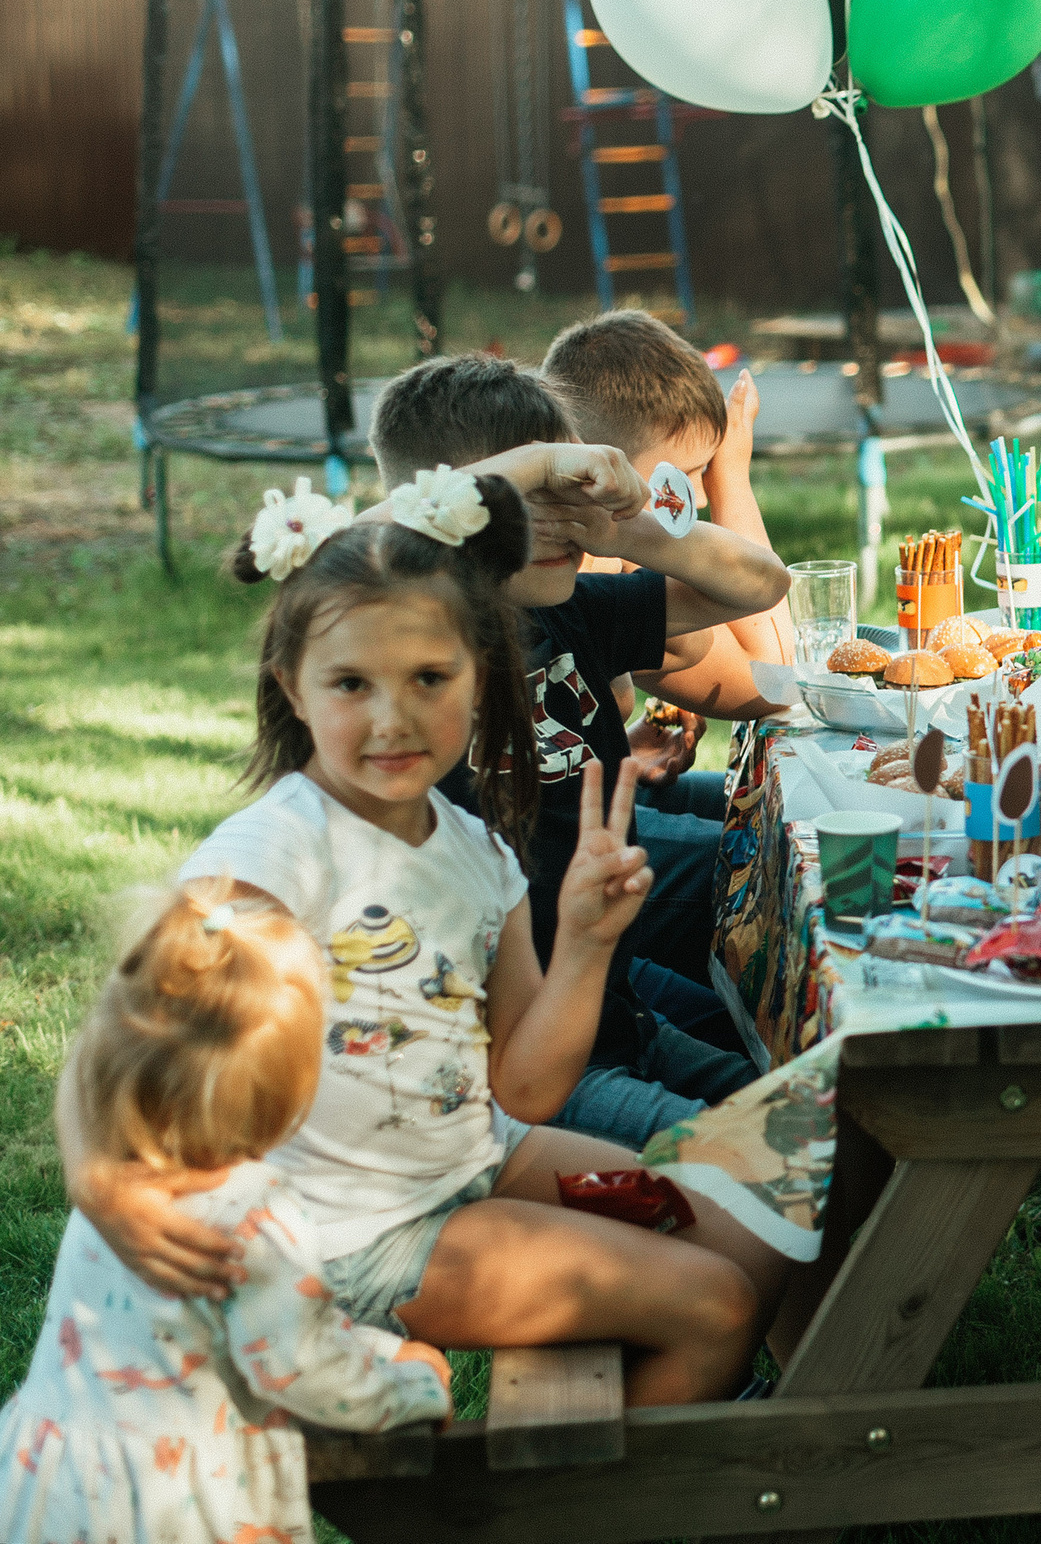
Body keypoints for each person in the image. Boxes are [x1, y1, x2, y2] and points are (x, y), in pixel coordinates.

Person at [60, 476, 804, 1405]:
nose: (393, 717)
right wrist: (105, 1184)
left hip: (475, 1150)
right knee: (716, 1302)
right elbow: (116, 1045)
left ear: (481, 675)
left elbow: (527, 1085)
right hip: (351, 1225)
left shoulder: (475, 851)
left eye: (429, 678)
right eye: (351, 683)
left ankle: (648, 1460)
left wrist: (582, 944)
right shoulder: (278, 853)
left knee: (757, 1214)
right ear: (292, 686)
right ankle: (603, 1510)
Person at [367, 354, 790, 1148]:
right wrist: (529, 470)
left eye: (567, 498)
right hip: (525, 1061)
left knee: (812, 1113)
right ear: (448, 511)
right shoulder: (404, 648)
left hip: (612, 1003)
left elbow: (758, 584)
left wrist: (626, 525)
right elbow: (357, 546)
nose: (559, 522)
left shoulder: (572, 610)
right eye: (532, 502)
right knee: (763, 1164)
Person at [3, 883, 451, 1544]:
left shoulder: (118, 1184)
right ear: (289, 1096)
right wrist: (413, 1381)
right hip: (175, 1507)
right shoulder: (255, 1216)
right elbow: (298, 1366)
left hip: (53, 1479)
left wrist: (377, 1343)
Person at [542, 309, 792, 819]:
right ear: (598, 464)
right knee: (756, 834)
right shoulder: (568, 575)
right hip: (563, 846)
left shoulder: (614, 564)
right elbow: (773, 677)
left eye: (705, 474)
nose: (697, 498)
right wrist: (731, 480)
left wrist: (623, 746)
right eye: (685, 476)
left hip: (593, 794)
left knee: (766, 807)